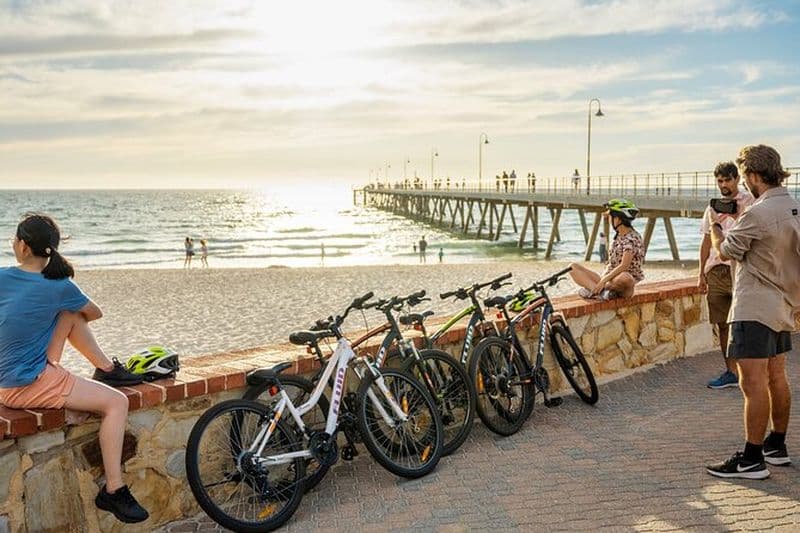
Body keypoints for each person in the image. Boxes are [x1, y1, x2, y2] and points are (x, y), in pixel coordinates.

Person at [0, 213, 149, 523]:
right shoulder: (59, 285)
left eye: (15, 239)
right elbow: (94, 312)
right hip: (26, 384)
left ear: (23, 246)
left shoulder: (2, 277)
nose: (13, 243)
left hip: (8, 380)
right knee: (117, 402)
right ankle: (114, 488)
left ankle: (103, 370)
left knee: (68, 313)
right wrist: (55, 307)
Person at [705, 145, 800, 480]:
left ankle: (751, 459)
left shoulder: (757, 213)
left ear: (755, 175)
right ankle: (777, 446)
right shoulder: (793, 207)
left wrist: (718, 229)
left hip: (754, 307)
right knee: (777, 377)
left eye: (745, 176)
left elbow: (727, 251)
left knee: (752, 383)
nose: (744, 182)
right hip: (782, 306)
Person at [699, 162, 754, 390]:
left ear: (736, 179)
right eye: (719, 181)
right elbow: (705, 241)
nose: (723, 185)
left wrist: (735, 214)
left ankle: (751, 374)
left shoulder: (750, 202)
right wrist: (701, 273)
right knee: (722, 324)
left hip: (741, 269)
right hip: (716, 271)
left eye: (727, 180)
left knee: (745, 323)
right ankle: (731, 372)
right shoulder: (711, 208)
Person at [569, 199, 644, 300]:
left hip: (620, 283)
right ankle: (599, 292)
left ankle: (594, 290)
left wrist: (603, 281)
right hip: (608, 281)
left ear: (617, 219)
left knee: (625, 277)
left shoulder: (631, 238)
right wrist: (603, 280)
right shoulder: (619, 236)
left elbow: (624, 265)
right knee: (572, 267)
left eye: (609, 216)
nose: (608, 219)